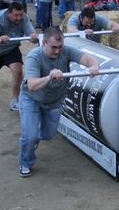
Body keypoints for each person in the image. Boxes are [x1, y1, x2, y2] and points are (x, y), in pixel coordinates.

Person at [18, 27, 101, 177]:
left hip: (54, 100)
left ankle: (35, 137)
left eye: (60, 47)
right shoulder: (34, 57)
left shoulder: (66, 51)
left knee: (48, 135)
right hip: (32, 99)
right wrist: (49, 77)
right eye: (53, 47)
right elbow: (32, 86)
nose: (57, 51)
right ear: (44, 43)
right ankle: (26, 162)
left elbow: (87, 58)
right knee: (29, 136)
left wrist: (94, 66)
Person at [0, 2, 39, 110]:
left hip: (11, 48)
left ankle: (15, 100)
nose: (19, 18)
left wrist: (33, 37)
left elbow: (32, 35)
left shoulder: (24, 18)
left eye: (21, 15)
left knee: (18, 71)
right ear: (9, 13)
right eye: (16, 15)